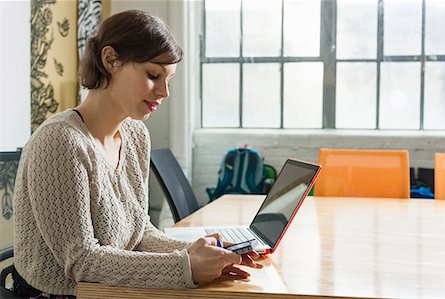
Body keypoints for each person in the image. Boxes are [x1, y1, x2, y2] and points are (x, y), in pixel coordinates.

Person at [13, 9, 262, 298]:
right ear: (110, 60)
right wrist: (186, 266)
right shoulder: (60, 141)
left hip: (113, 290)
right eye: (153, 75)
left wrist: (203, 255)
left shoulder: (135, 135)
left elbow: (140, 233)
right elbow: (82, 262)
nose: (164, 92)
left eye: (168, 79)